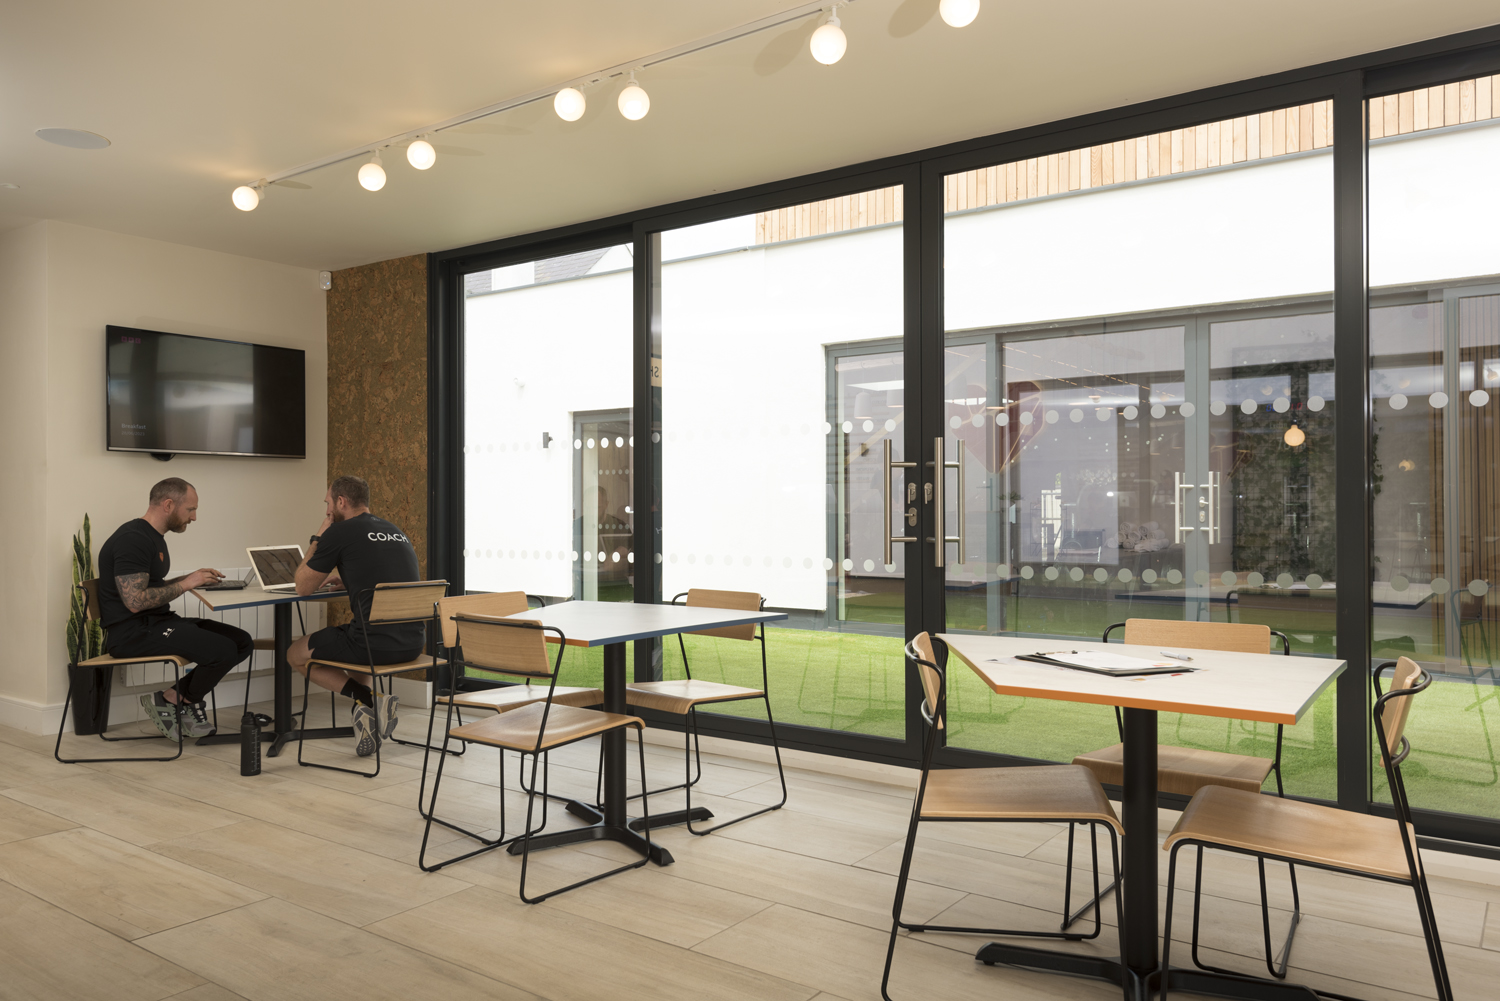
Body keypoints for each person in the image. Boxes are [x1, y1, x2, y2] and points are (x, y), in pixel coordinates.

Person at [98, 477, 253, 740]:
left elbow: (148, 587)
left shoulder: (153, 537)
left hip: (156, 622)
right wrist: (186, 584)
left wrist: (186, 579)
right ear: (169, 505)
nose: (193, 517)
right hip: (131, 633)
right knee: (222, 650)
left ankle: (172, 698)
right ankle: (184, 702)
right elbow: (135, 602)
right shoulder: (132, 539)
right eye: (190, 509)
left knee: (240, 642)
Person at [287, 475, 423, 757]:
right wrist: (349, 580)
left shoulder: (340, 532)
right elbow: (383, 575)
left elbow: (302, 587)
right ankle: (366, 724)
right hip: (412, 644)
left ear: (341, 501)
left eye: (328, 503)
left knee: (295, 654)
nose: (327, 511)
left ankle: (370, 699)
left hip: (372, 647)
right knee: (359, 636)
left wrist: (320, 534)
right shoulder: (395, 530)